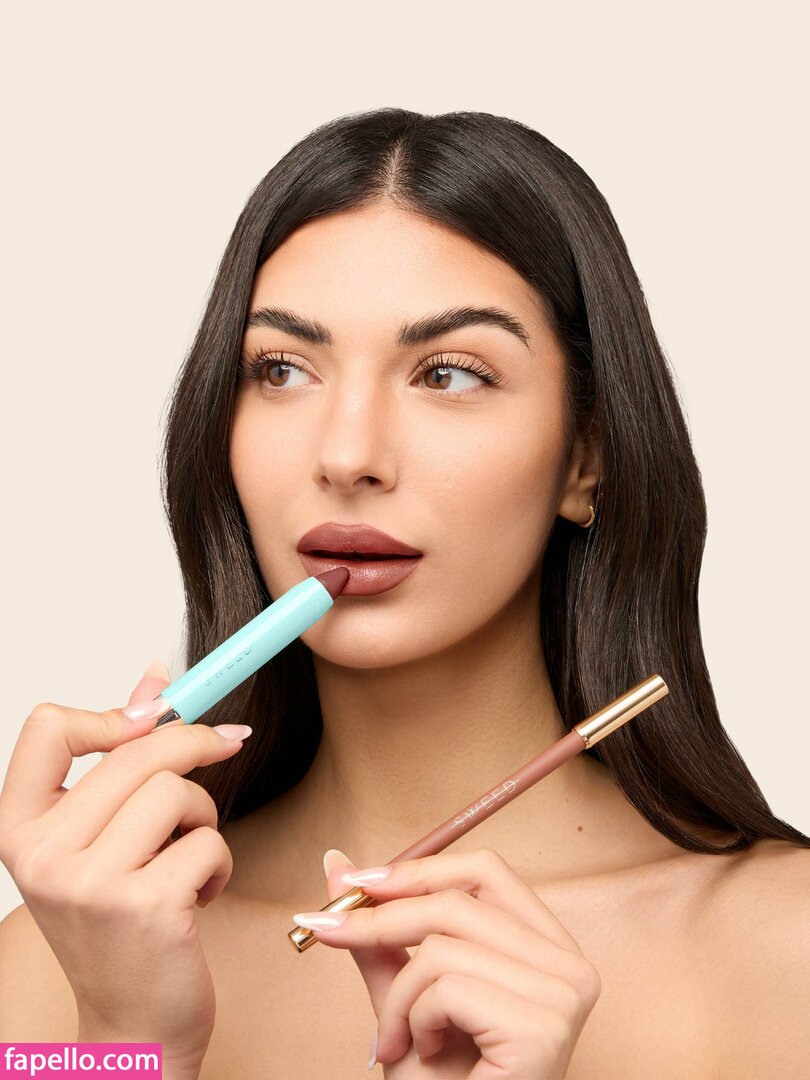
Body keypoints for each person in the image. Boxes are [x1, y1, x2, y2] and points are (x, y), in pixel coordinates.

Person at [1, 107, 808, 1079]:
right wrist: (128, 1044)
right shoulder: (57, 965)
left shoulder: (786, 956)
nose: (347, 455)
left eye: (450, 375)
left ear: (584, 457)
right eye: (282, 369)